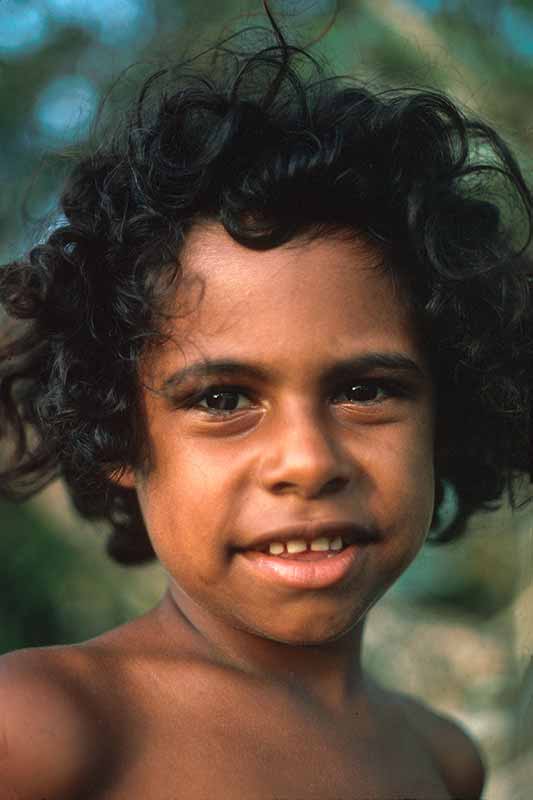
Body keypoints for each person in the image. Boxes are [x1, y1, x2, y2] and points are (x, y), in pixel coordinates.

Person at [0, 4, 531, 798]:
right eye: (222, 399)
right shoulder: (44, 726)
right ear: (116, 432)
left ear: (446, 410)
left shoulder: (443, 759)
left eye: (363, 391)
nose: (308, 461)